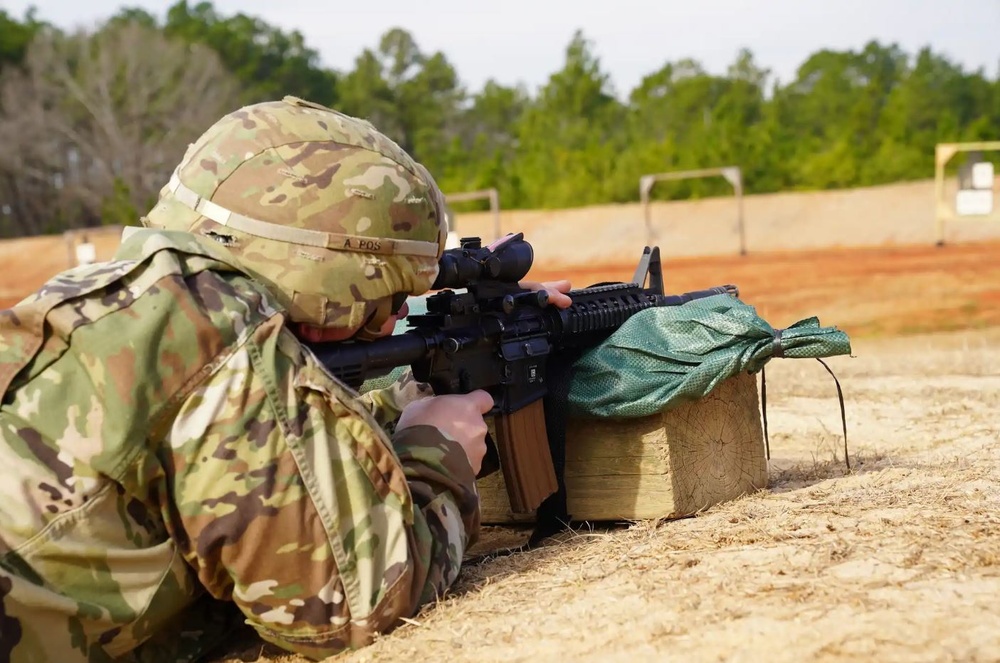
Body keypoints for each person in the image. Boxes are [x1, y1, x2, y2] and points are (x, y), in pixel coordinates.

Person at [0, 96, 571, 662]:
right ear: (328, 276)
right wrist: (438, 454)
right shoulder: (216, 330)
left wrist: (407, 403)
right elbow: (355, 605)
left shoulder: (135, 298)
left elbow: (259, 454)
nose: (394, 316)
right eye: (387, 297)